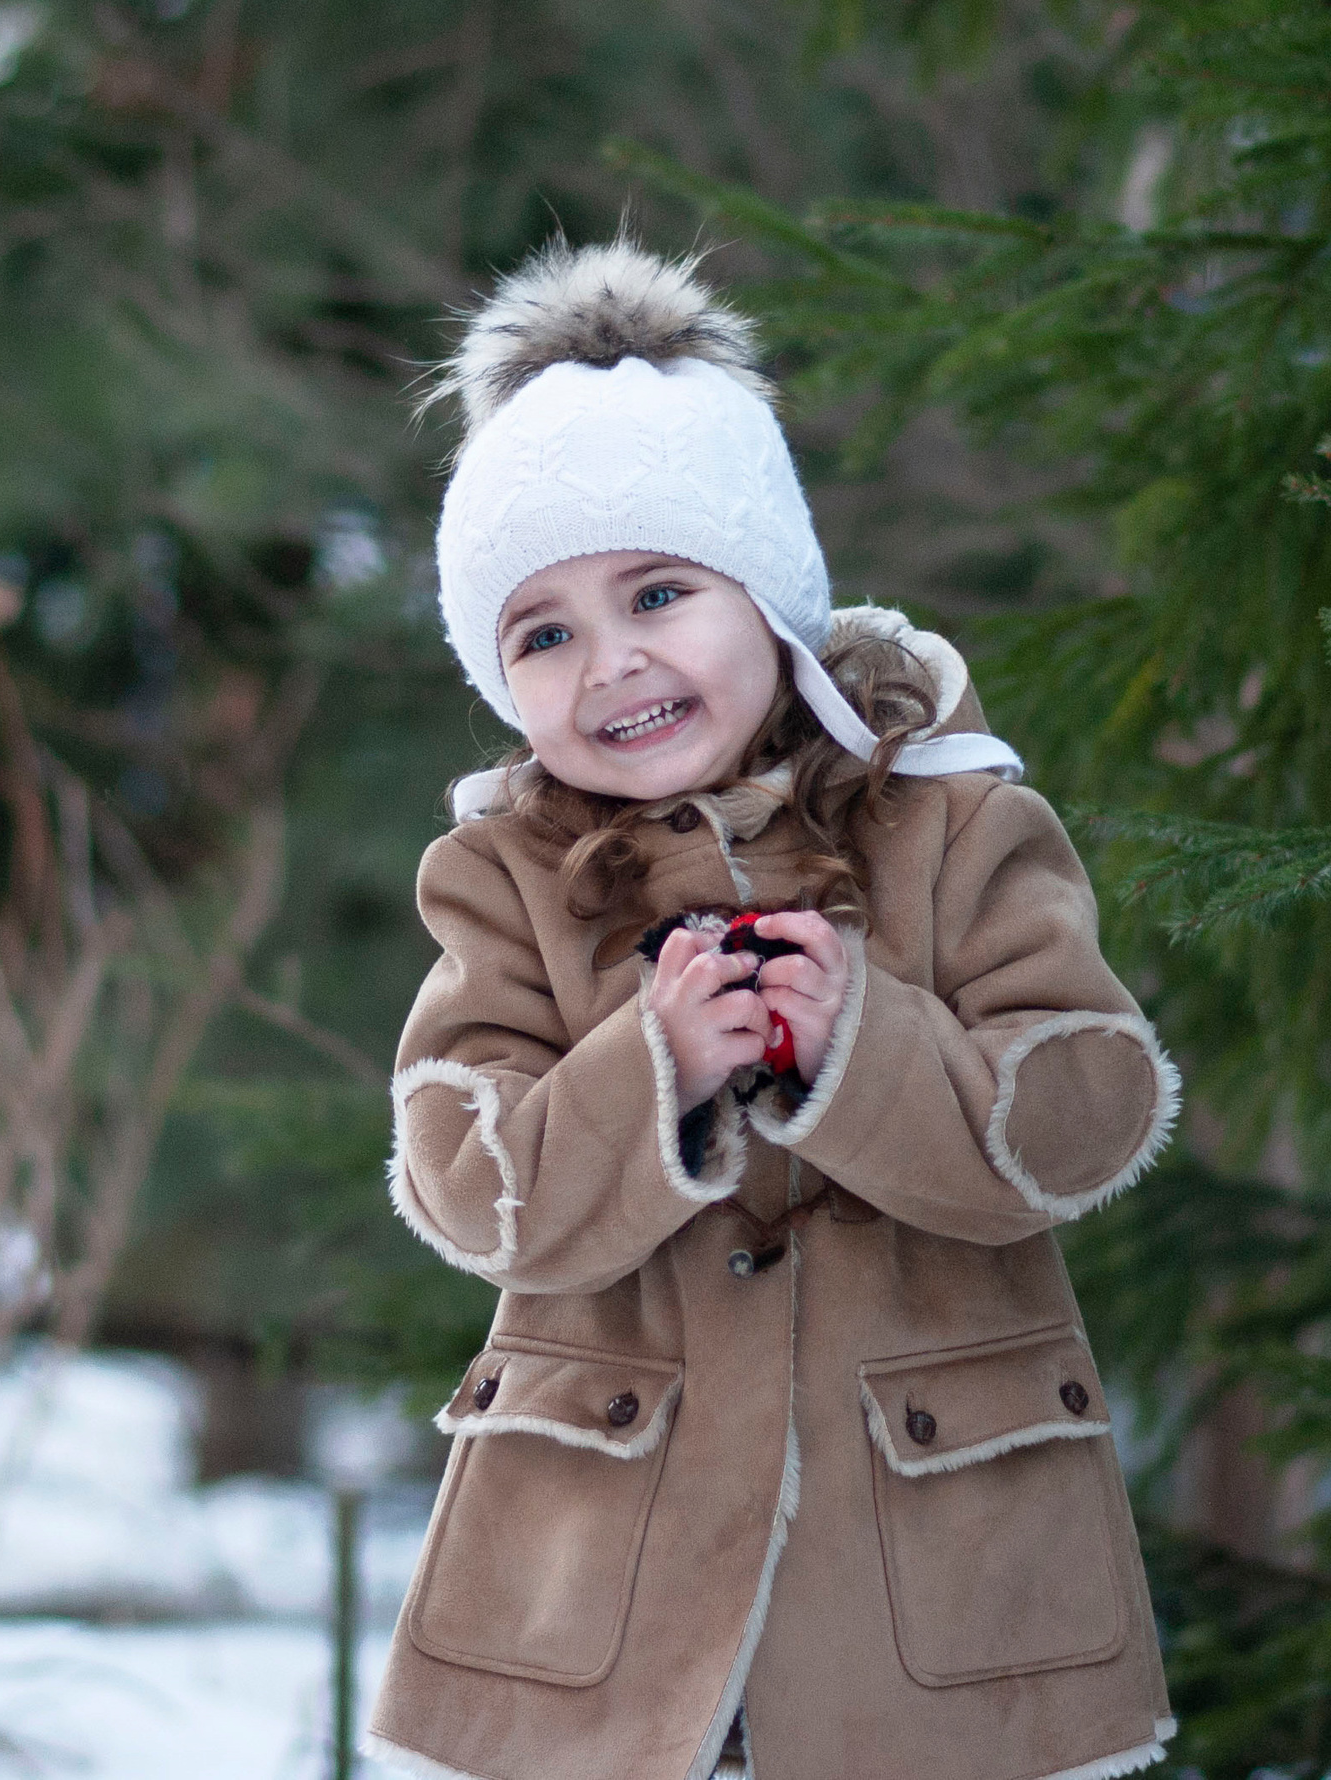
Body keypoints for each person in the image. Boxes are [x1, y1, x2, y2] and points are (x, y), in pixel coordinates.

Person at [364, 238, 1180, 1780]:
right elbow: (463, 1181)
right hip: (608, 1586)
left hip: (930, 1570)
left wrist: (867, 1051)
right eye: (541, 632)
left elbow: (1089, 1111)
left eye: (658, 591)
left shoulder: (953, 821)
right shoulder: (502, 878)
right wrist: (646, 1070)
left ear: (768, 587)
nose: (611, 662)